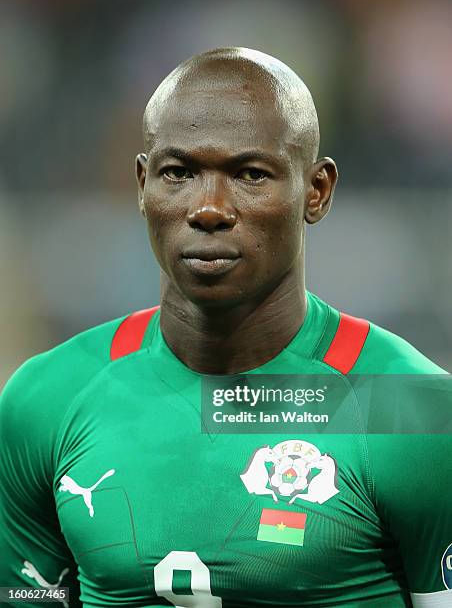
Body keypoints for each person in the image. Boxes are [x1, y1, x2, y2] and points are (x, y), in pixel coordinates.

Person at [0, 47, 450, 608]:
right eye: (178, 173)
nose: (208, 208)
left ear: (317, 191)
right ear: (143, 185)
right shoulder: (47, 401)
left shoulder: (414, 414)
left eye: (250, 174)